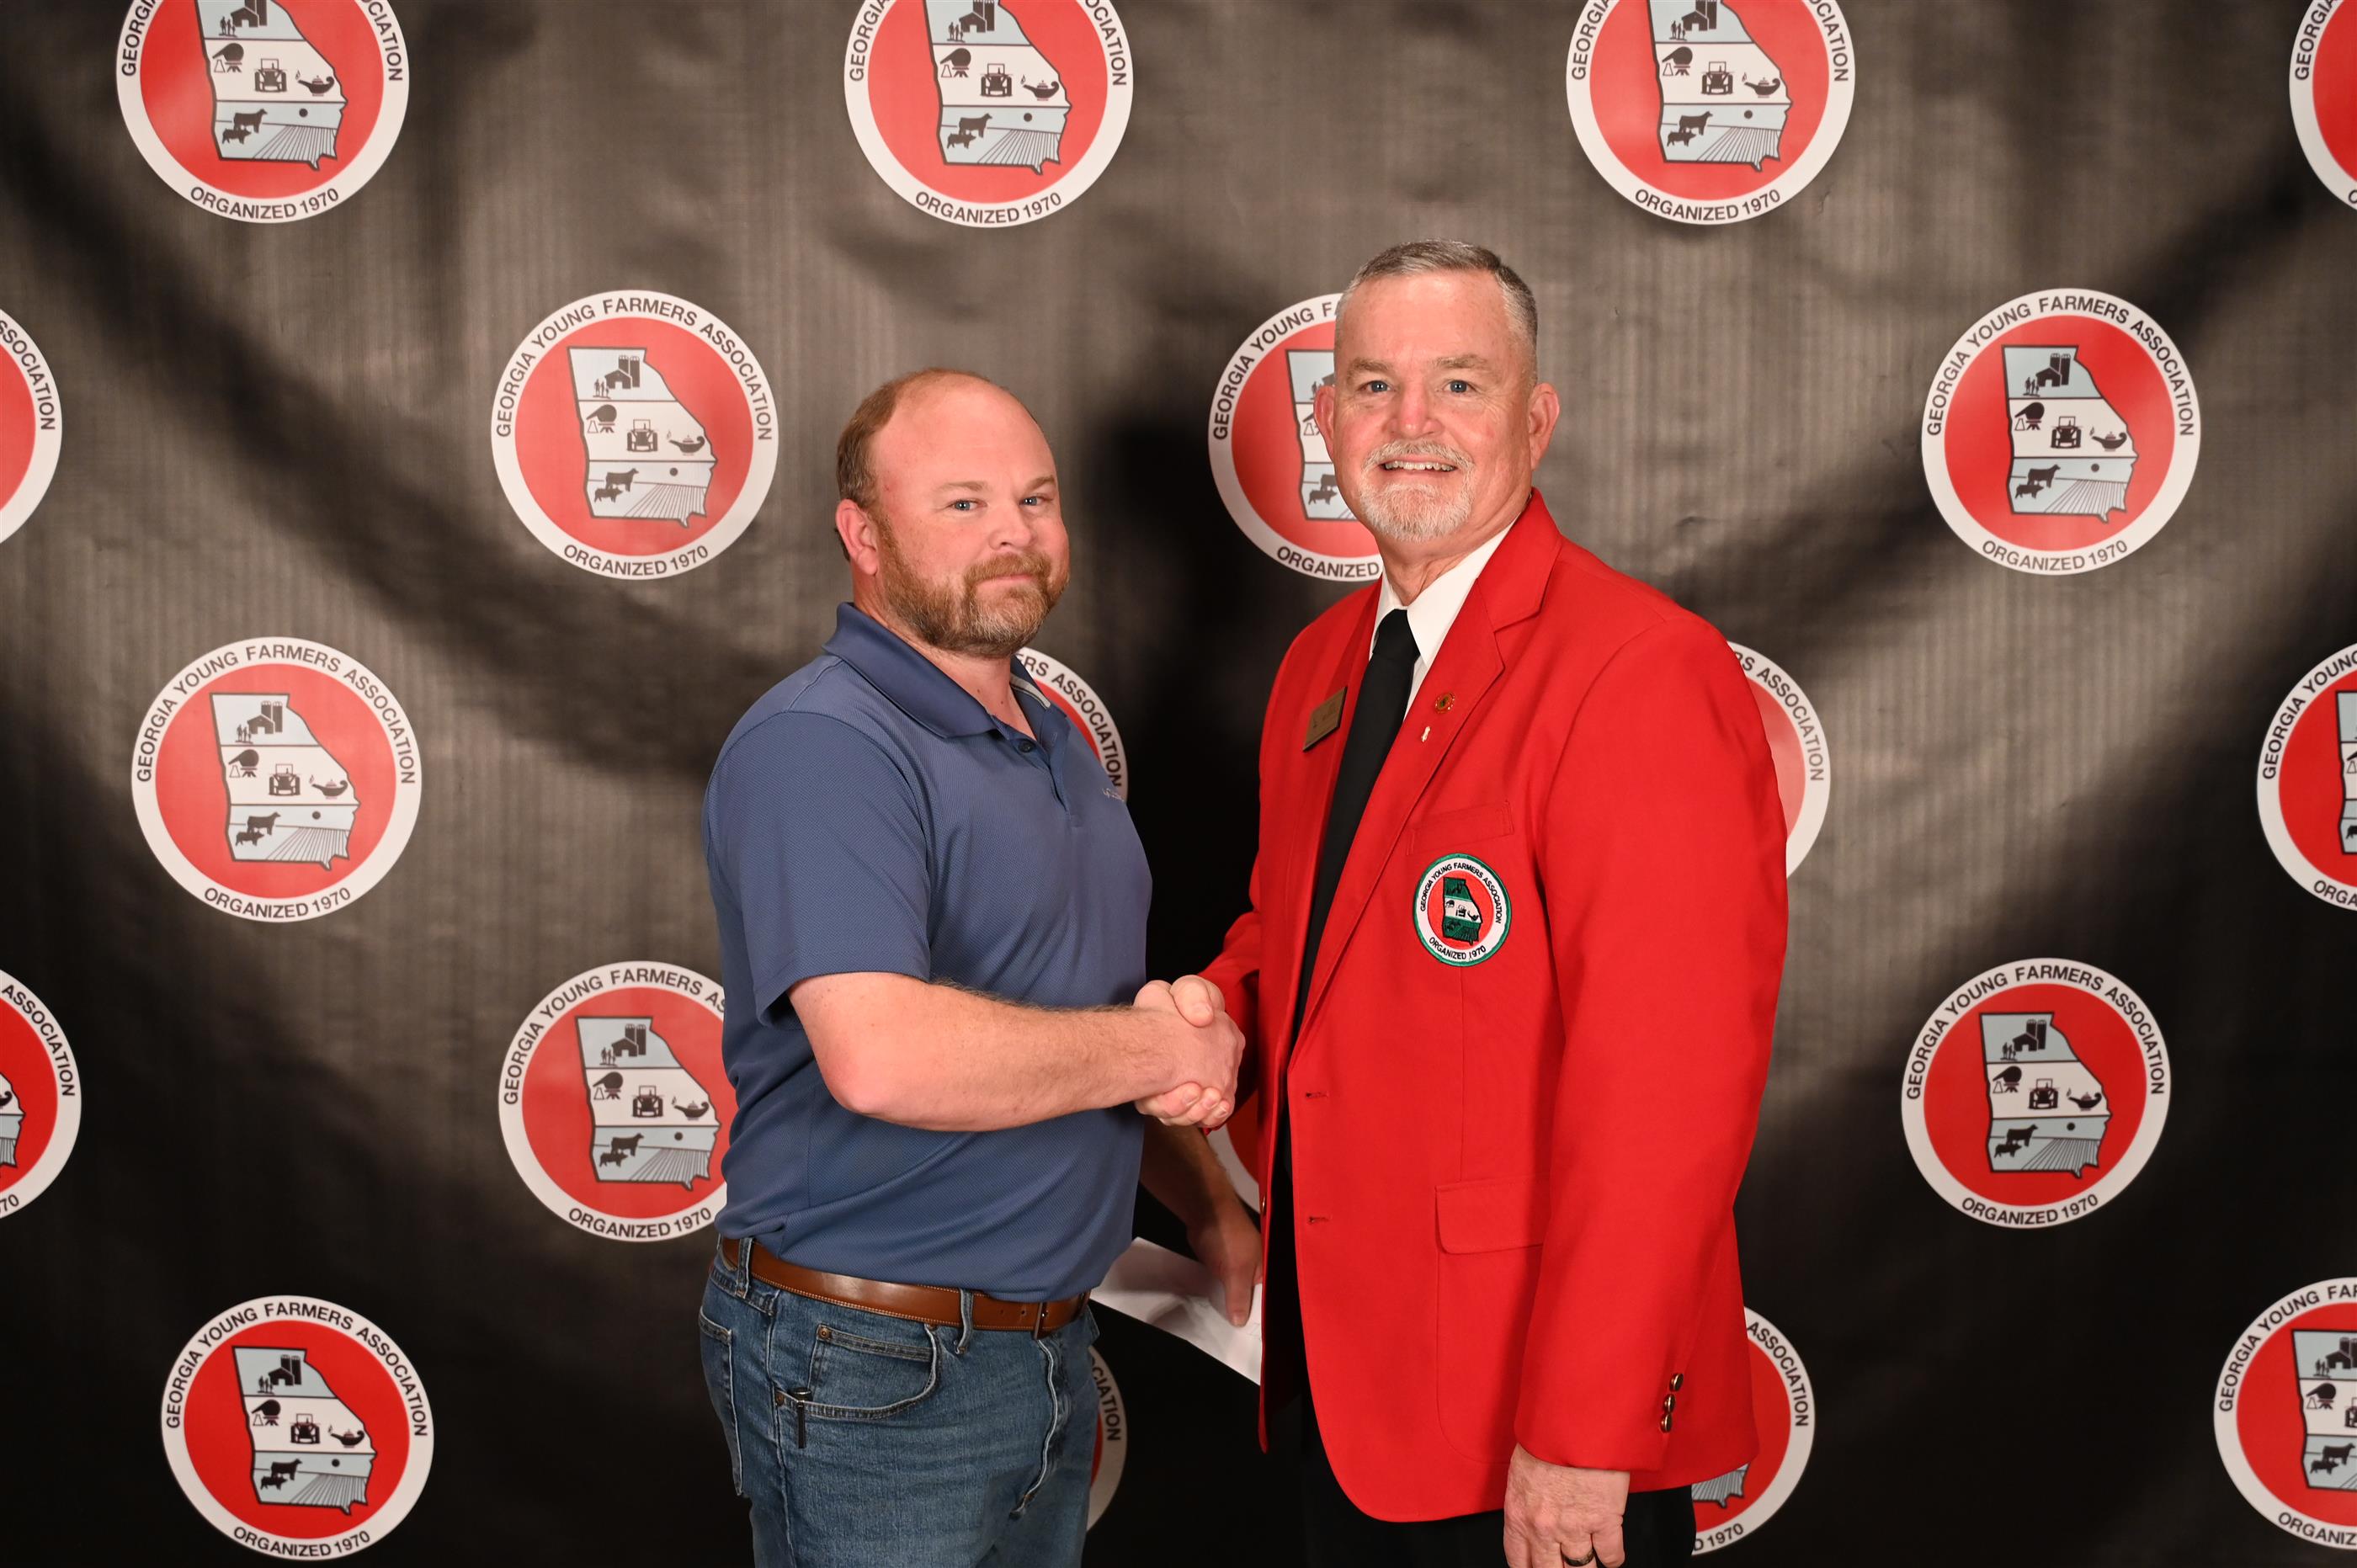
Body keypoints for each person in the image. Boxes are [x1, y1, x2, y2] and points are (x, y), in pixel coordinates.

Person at [1172, 242, 1789, 1567]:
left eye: (1459, 383)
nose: (1413, 423)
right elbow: (1307, 938)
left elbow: (1667, 1099)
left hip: (1528, 1434)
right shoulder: (1320, 666)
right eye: (1374, 385)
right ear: (1327, 417)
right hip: (1347, 1390)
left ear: (1536, 417)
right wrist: (1215, 1013)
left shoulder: (1638, 668)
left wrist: (1582, 1430)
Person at [697, 367, 1251, 1568]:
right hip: (872, 1364)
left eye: (1035, 499)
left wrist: (1210, 1205)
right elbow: (882, 1058)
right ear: (864, 536)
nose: (1013, 531)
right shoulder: (826, 742)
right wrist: (1165, 1046)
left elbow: (1077, 1032)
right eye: (963, 503)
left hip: (1043, 1351)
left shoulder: (1054, 741)